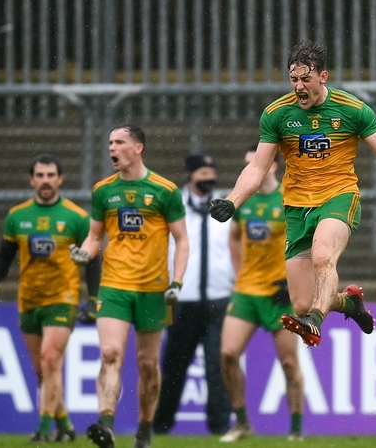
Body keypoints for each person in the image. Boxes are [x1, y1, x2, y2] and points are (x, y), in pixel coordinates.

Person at [209, 40, 376, 347]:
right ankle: (348, 304)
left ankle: (315, 321)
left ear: (323, 77)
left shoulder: (352, 110)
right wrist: (233, 201)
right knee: (300, 303)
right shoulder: (277, 114)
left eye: (305, 79)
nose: (299, 87)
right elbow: (258, 168)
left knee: (323, 258)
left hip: (338, 197)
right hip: (296, 207)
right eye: (293, 79)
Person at [70, 124, 189, 448]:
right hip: (114, 285)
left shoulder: (164, 191)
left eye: (119, 142)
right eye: (109, 142)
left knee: (147, 364)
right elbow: (95, 237)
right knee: (110, 354)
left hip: (153, 288)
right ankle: (105, 425)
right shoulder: (103, 191)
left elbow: (182, 241)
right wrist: (84, 252)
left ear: (138, 148)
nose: (112, 148)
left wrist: (176, 281)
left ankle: (144, 430)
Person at [0, 153, 101, 442]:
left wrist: (93, 299)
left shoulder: (77, 217)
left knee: (50, 359)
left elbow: (93, 261)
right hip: (29, 299)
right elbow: (4, 255)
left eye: (51, 175)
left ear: (60, 179)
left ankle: (42, 431)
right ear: (31, 179)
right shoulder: (17, 216)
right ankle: (65, 425)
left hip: (62, 297)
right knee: (42, 370)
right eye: (40, 175)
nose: (45, 181)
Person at [219, 146, 304, 442]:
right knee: (228, 354)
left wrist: (291, 280)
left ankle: (295, 429)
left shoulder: (289, 198)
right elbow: (233, 237)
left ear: (273, 166)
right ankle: (242, 422)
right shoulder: (243, 202)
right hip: (247, 291)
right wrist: (239, 271)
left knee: (289, 363)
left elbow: (306, 242)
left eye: (253, 163)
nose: (248, 169)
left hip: (279, 293)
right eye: (246, 165)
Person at [153, 154, 233, 436]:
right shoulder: (174, 206)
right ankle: (161, 425)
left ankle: (220, 426)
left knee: (218, 365)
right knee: (174, 365)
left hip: (219, 297)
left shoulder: (227, 206)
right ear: (189, 175)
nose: (208, 176)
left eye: (212, 171)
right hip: (182, 300)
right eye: (202, 171)